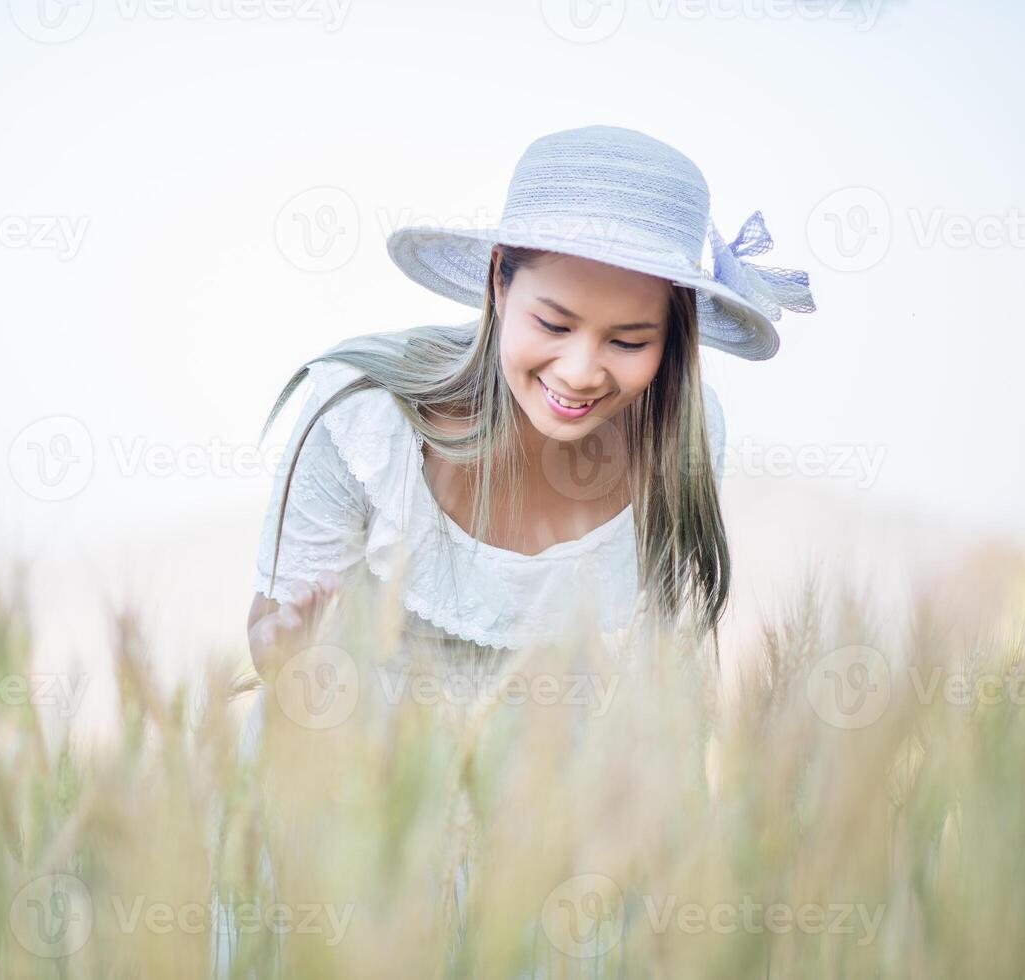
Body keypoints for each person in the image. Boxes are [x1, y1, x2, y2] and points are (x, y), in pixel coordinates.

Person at [223, 124, 817, 977]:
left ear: (675, 335)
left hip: (553, 838)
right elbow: (272, 634)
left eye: (627, 341)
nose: (580, 372)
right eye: (555, 321)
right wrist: (288, 652)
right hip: (353, 815)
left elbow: (668, 675)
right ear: (501, 280)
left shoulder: (684, 441)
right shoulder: (358, 418)